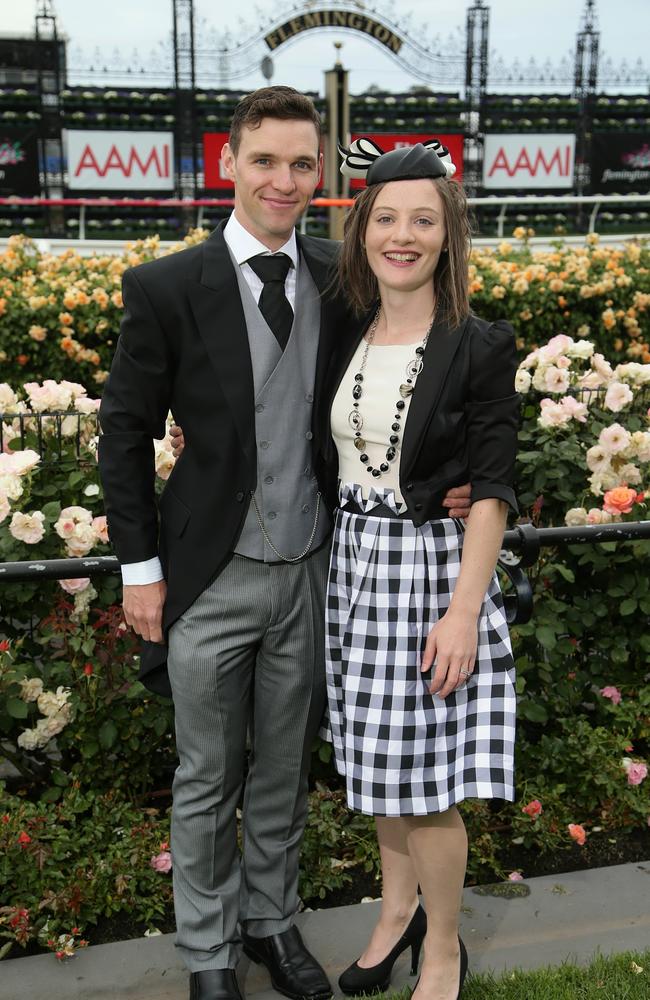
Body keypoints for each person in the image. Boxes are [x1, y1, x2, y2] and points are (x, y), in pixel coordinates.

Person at [98, 87, 472, 1000]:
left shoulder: (343, 286)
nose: (284, 179)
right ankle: (207, 954)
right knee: (203, 777)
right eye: (265, 159)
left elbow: (411, 386)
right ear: (229, 162)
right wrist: (139, 570)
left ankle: (271, 923)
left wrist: (453, 483)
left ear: (320, 176)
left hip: (314, 573)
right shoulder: (165, 287)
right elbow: (123, 431)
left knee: (282, 770)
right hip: (204, 578)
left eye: (303, 163)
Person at [319, 138, 520, 1000]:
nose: (403, 235)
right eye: (388, 218)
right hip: (350, 571)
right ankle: (393, 914)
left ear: (449, 234)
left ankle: (442, 949)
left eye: (424, 220)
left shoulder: (476, 344)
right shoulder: (340, 329)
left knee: (427, 784)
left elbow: (494, 487)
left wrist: (464, 611)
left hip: (431, 579)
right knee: (379, 768)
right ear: (363, 228)